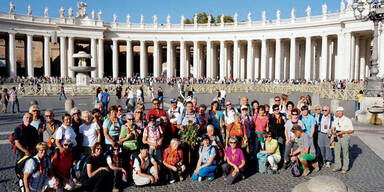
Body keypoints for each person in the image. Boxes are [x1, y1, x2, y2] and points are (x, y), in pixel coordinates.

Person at [331, 107, 354, 174]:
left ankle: (345, 168)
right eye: (337, 112)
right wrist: (332, 130)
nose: (338, 113)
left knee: (345, 152)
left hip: (344, 136)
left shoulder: (347, 120)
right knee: (336, 152)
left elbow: (352, 130)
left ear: (343, 112)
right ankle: (337, 166)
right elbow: (333, 127)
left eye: (340, 111)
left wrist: (343, 132)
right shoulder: (335, 119)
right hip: (337, 137)